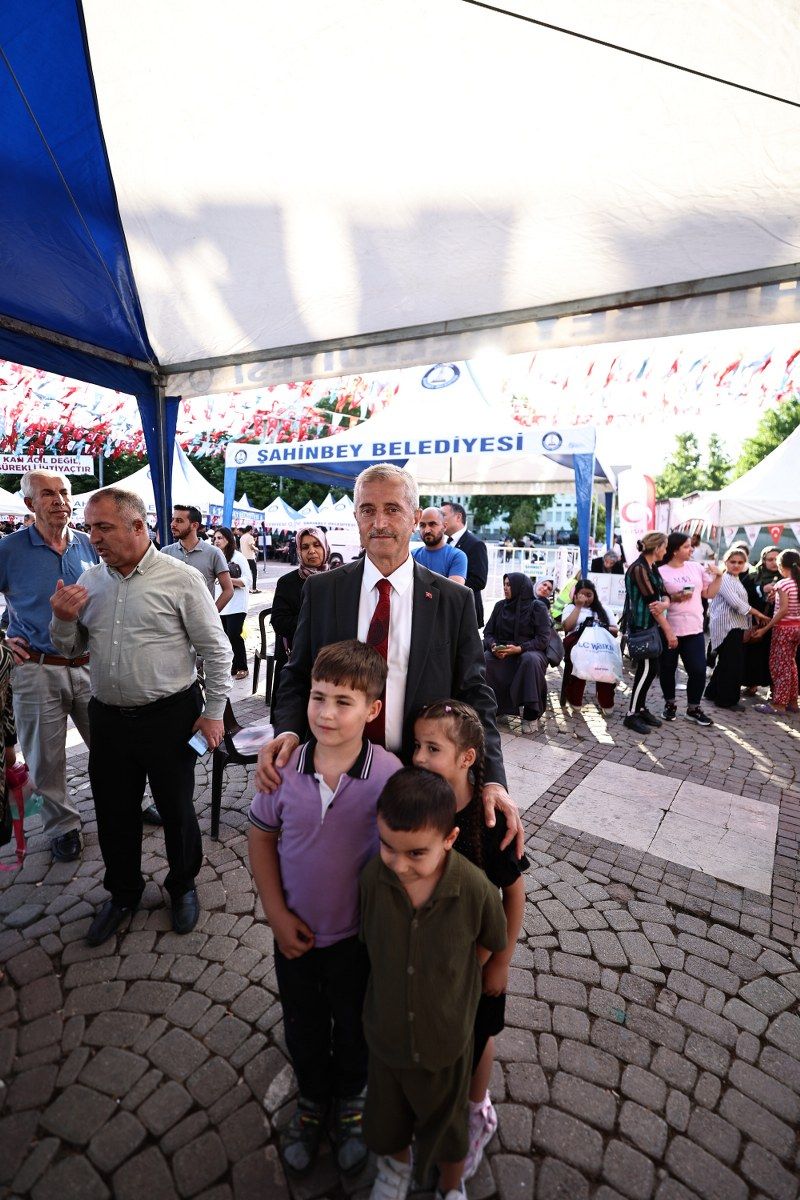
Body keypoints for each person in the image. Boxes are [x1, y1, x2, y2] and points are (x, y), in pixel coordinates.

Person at [258, 463, 522, 853]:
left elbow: (474, 693)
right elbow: (298, 675)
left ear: (415, 518)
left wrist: (494, 779)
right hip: (335, 775)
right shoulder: (323, 591)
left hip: (421, 780)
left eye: (392, 509)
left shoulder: (454, 601)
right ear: (356, 517)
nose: (379, 522)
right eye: (368, 510)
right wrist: (288, 731)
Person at [49, 488, 233, 946]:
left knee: (176, 808)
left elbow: (217, 650)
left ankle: (182, 885)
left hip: (170, 716)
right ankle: (123, 892)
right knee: (113, 811)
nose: (93, 537)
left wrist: (213, 714)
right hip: (107, 718)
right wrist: (62, 619)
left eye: (103, 527)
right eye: (90, 527)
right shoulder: (90, 580)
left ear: (137, 526)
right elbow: (70, 650)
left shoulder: (181, 578)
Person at [248, 641, 401, 1176]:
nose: (327, 713)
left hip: (358, 940)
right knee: (304, 1023)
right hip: (295, 934)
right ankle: (313, 1099)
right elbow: (261, 837)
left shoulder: (387, 774)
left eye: (343, 701)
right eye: (318, 697)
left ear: (373, 710)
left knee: (355, 1024)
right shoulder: (284, 768)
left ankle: (353, 1098)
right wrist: (276, 914)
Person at [359, 767, 506, 1200]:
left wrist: (464, 972)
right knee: (390, 1118)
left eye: (416, 853)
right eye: (387, 846)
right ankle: (396, 1168)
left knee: (448, 1128)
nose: (399, 863)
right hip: (387, 1039)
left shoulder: (475, 888)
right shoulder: (372, 879)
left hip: (446, 1042)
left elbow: (492, 938)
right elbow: (369, 940)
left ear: (449, 838)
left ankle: (451, 1185)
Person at [412, 702, 526, 1182]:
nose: (419, 757)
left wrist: (500, 961)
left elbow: (514, 894)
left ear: (467, 758)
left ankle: (477, 1109)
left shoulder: (488, 819)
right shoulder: (422, 805)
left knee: (478, 1038)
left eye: (432, 748)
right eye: (417, 746)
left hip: (477, 965)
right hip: (433, 961)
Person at [0, 470, 97, 862]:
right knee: (45, 758)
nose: (60, 500)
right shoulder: (8, 549)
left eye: (64, 492)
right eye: (48, 494)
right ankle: (62, 827)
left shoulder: (90, 544)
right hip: (36, 668)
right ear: (29, 503)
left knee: (112, 745)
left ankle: (128, 804)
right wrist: (1, 641)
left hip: (91, 666)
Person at [658, 532, 723, 726]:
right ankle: (670, 704)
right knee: (667, 669)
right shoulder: (660, 571)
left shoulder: (696, 567)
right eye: (686, 546)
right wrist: (675, 597)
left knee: (698, 670)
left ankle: (693, 708)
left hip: (694, 628)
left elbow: (708, 593)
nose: (691, 549)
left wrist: (719, 576)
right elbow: (657, 600)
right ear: (674, 550)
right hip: (669, 628)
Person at [622, 532, 676, 734]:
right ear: (657, 547)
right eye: (665, 546)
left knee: (651, 669)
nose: (666, 550)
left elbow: (665, 595)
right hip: (642, 626)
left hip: (650, 625)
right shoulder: (639, 568)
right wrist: (669, 632)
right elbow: (653, 604)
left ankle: (641, 708)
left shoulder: (651, 566)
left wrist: (665, 603)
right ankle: (631, 714)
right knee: (645, 670)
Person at [270, 527, 331, 706]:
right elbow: (279, 622)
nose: (311, 551)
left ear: (325, 547)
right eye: (305, 547)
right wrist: (315, 622)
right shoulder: (287, 582)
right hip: (295, 660)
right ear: (298, 550)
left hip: (330, 663)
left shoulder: (338, 579)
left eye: (316, 545)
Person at [483, 573, 550, 733]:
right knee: (487, 659)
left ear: (521, 587)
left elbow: (543, 639)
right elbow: (488, 633)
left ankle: (531, 714)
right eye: (504, 584)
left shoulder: (537, 607)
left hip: (530, 650)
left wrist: (519, 649)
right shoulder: (500, 606)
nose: (505, 588)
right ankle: (495, 708)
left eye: (509, 585)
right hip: (504, 650)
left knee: (529, 661)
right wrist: (494, 646)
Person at [704, 546, 769, 710]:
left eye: (740, 562)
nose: (736, 565)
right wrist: (758, 614)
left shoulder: (736, 579)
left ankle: (712, 692)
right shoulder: (725, 578)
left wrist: (751, 619)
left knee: (727, 662)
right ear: (725, 562)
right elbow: (737, 604)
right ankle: (726, 700)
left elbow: (742, 604)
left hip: (734, 625)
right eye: (733, 562)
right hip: (726, 626)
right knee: (732, 664)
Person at [751, 549, 800, 716]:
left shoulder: (783, 584)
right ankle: (792, 701)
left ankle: (779, 703)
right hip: (797, 628)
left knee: (780, 666)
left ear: (781, 566)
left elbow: (783, 610)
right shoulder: (797, 583)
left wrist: (766, 628)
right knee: (791, 665)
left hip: (783, 629)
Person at [560, 579, 619, 716]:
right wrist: (578, 607)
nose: (586, 599)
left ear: (594, 595)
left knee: (607, 661)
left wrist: (599, 625)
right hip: (578, 644)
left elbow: (615, 631)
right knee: (580, 657)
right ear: (576, 595)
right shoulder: (570, 608)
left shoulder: (604, 609)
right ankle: (574, 697)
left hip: (600, 645)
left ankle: (606, 699)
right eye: (582, 595)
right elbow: (567, 627)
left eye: (589, 595)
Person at [162, 504, 234, 612]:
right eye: (173, 520)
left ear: (194, 525)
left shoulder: (213, 553)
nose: (172, 524)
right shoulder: (165, 552)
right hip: (170, 618)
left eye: (179, 521)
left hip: (201, 619)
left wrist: (211, 614)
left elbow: (228, 590)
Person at [441, 502, 489, 626]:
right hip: (446, 611)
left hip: (466, 610)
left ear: (458, 517)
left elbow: (479, 581)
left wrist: (447, 586)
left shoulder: (475, 544)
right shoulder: (444, 543)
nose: (440, 519)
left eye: (443, 515)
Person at [742, 546, 781, 697]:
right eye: (770, 559)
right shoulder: (753, 576)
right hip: (757, 621)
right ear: (763, 560)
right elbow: (743, 596)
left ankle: (774, 688)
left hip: (777, 623)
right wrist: (761, 590)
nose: (774, 562)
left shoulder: (786, 577)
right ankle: (752, 684)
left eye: (777, 559)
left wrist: (778, 596)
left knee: (775, 656)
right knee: (755, 654)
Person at [212, 527, 250, 680]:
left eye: (220, 538)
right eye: (215, 538)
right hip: (221, 604)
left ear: (228, 539)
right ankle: (233, 666)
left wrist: (227, 580)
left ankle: (242, 667)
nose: (216, 541)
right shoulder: (215, 557)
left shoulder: (238, 557)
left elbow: (247, 580)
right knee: (225, 637)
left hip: (237, 604)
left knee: (234, 634)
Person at [413, 508, 467, 585]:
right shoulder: (412, 556)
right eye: (422, 525)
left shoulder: (457, 556)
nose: (427, 530)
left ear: (444, 526)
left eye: (432, 524)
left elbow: (454, 591)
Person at [239, 525, 260, 592]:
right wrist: (256, 549)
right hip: (250, 557)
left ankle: (247, 588)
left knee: (245, 573)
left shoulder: (242, 537)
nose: (253, 531)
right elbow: (251, 546)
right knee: (254, 573)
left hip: (244, 557)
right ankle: (254, 588)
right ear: (250, 530)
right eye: (253, 530)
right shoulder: (250, 537)